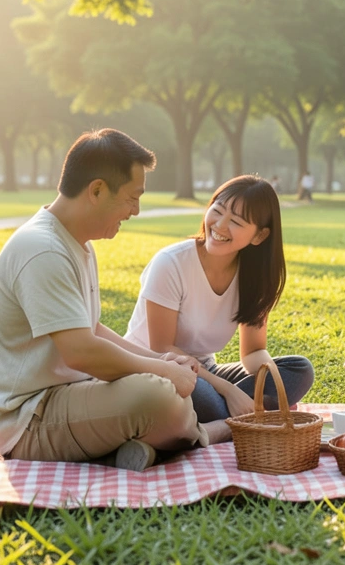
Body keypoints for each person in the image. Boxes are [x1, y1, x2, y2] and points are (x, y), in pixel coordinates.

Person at [0, 129, 218, 472]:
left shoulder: (76, 243)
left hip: (66, 397)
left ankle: (130, 450)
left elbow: (91, 329)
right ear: (97, 190)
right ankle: (206, 434)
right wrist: (162, 371)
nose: (135, 211)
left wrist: (159, 359)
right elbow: (82, 351)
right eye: (133, 198)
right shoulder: (43, 249)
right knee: (161, 398)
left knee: (168, 390)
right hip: (29, 420)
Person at [125, 176, 314, 423]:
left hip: (205, 372)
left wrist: (275, 381)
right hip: (155, 369)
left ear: (259, 236)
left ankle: (225, 418)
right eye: (218, 210)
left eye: (236, 221)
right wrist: (228, 390)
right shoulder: (171, 263)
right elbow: (161, 349)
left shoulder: (254, 277)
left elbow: (254, 352)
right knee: (206, 399)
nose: (220, 225)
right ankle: (239, 418)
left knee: (299, 371)